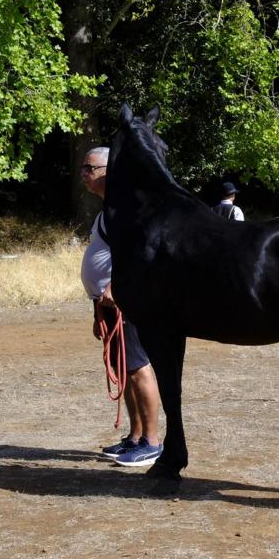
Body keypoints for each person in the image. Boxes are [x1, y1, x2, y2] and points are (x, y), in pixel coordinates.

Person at [79, 146, 164, 467]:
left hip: (127, 302)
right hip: (109, 306)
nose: (83, 175)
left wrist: (114, 288)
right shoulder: (111, 210)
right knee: (124, 370)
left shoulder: (125, 209)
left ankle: (152, 442)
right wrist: (98, 308)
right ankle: (136, 436)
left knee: (138, 367)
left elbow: (138, 255)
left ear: (108, 170)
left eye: (89, 168)